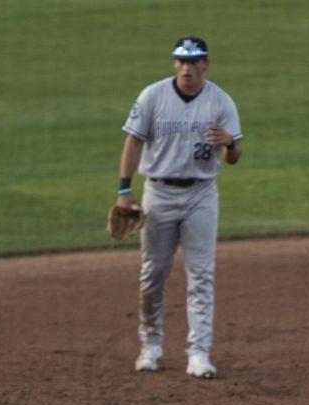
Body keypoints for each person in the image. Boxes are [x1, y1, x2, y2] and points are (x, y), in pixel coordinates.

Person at [116, 35, 243, 377]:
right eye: (181, 60)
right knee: (153, 273)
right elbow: (132, 142)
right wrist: (124, 191)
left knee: (201, 274)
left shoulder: (220, 101)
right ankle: (150, 345)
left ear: (205, 63)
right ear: (174, 63)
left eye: (194, 60)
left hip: (201, 195)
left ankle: (199, 353)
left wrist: (230, 143)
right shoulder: (153, 97)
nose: (187, 67)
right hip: (158, 194)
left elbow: (234, 157)